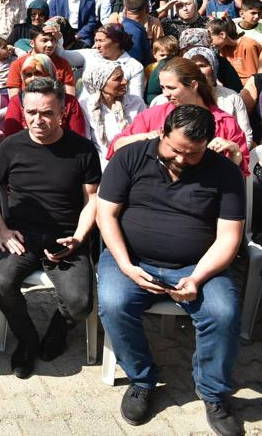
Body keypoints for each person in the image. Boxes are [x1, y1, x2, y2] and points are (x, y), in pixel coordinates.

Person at [96, 105, 244, 434]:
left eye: (192, 154)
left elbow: (229, 238)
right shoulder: (131, 157)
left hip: (199, 264)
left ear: (208, 144)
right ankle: (142, 378)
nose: (181, 158)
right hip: (131, 257)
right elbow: (105, 215)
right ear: (162, 134)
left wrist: (198, 277)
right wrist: (125, 265)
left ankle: (213, 392)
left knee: (222, 312)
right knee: (113, 302)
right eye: (174, 149)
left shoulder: (224, 172)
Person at [0, 77, 100, 379]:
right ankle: (27, 338)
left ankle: (59, 328)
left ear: (62, 111)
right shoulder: (11, 146)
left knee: (79, 304)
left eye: (47, 112)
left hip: (66, 238)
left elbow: (93, 199)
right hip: (22, 237)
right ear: (22, 111)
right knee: (1, 279)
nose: (38, 119)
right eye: (31, 112)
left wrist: (79, 236)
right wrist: (3, 229)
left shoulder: (82, 150)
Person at [108, 57, 248, 175]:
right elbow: (116, 146)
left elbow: (240, 172)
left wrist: (235, 152)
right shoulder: (154, 115)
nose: (165, 93)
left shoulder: (224, 122)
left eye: (171, 88)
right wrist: (145, 136)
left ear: (193, 85)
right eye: (163, 87)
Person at [78, 61, 146, 168]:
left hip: (134, 161)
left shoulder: (136, 102)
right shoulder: (86, 106)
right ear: (101, 83)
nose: (125, 81)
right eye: (118, 78)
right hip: (102, 164)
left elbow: (144, 136)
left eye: (123, 77)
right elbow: (86, 142)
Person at [2, 53, 86, 137]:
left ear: (51, 74)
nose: (33, 79)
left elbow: (78, 136)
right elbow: (11, 136)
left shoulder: (69, 101)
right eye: (28, 75)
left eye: (38, 73)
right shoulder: (17, 101)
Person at [184, 47, 253, 148]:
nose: (197, 70)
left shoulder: (231, 97)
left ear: (213, 68)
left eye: (202, 66)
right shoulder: (176, 97)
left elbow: (246, 137)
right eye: (192, 66)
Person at [55, 23, 146, 97]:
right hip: (86, 112)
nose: (96, 45)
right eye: (96, 40)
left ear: (117, 42)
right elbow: (62, 55)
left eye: (101, 41)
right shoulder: (91, 55)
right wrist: (58, 38)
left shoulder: (134, 67)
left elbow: (135, 99)